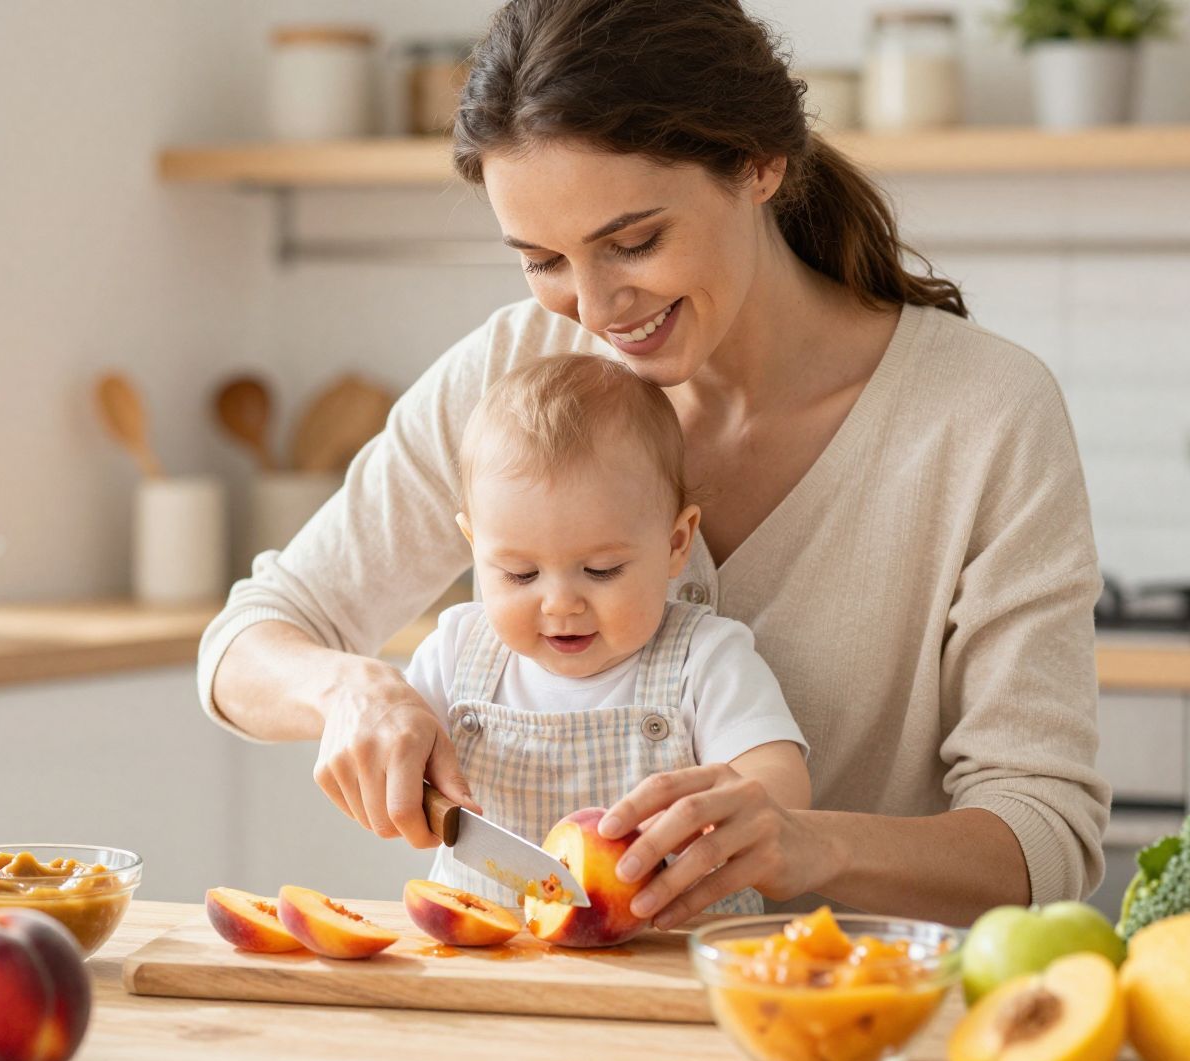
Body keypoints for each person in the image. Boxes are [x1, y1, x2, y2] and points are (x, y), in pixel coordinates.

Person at [199, 0, 1109, 930]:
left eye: (633, 243)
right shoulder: (512, 375)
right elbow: (247, 640)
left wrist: (809, 842)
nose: (593, 309)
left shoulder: (982, 414)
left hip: (849, 1027)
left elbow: (1046, 836)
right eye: (544, 260)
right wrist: (345, 688)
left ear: (759, 164)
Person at [403, 352, 810, 914]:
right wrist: (384, 756)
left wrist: (723, 815)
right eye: (519, 574)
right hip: (490, 965)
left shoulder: (706, 659)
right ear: (475, 547)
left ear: (675, 543)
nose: (561, 603)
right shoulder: (454, 653)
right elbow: (395, 751)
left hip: (673, 968)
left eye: (601, 571)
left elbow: (780, 788)